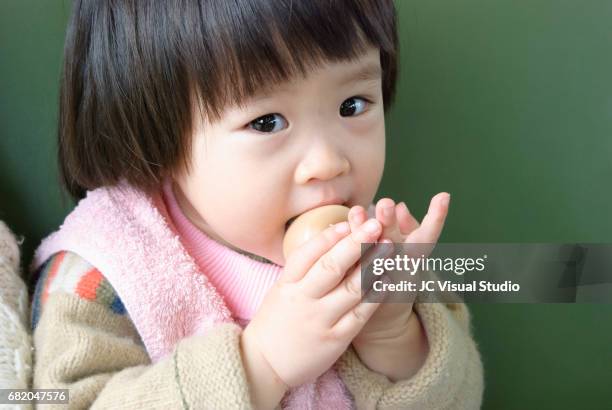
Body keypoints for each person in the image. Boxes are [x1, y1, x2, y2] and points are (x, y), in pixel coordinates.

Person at [29, 0, 484, 408]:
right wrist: (261, 363)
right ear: (154, 130)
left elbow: (459, 397)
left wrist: (393, 334)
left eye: (352, 105)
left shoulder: (375, 250)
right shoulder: (106, 270)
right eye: (267, 122)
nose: (328, 162)